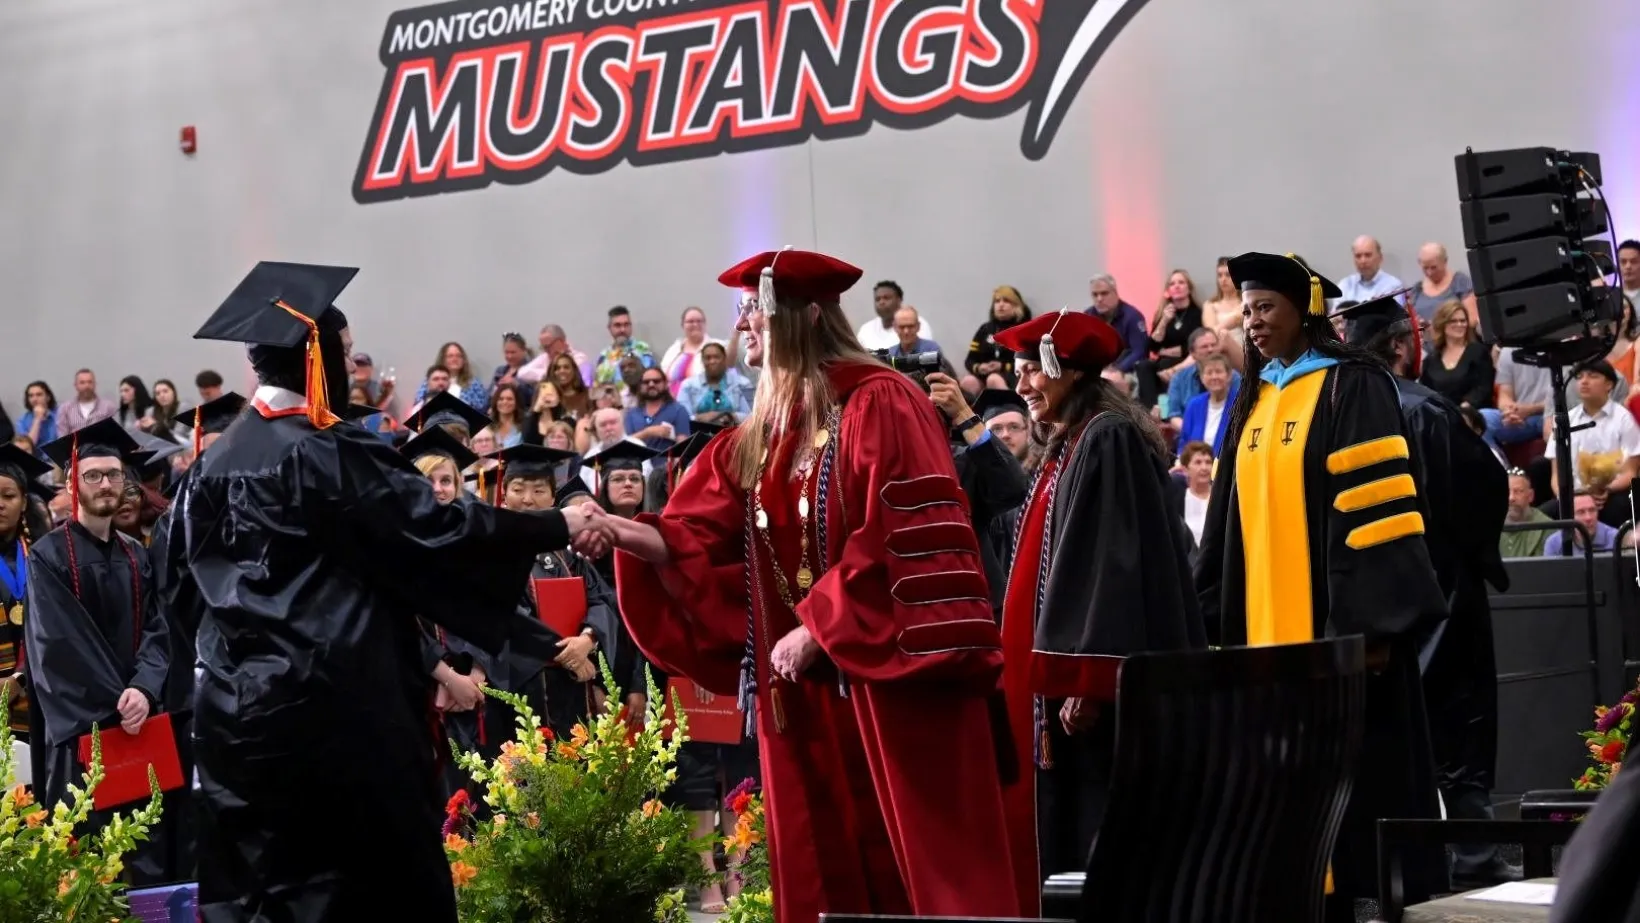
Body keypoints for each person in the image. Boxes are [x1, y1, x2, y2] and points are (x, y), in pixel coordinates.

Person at [597, 248, 1022, 921]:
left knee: (925, 870)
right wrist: (625, 534)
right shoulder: (769, 428)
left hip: (892, 681)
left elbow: (898, 531)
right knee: (828, 865)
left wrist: (821, 625)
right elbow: (697, 527)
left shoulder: (881, 401)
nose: (742, 329)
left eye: (753, 312)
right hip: (814, 692)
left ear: (806, 316)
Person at [182, 261, 605, 921]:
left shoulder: (211, 463)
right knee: (366, 887)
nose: (352, 367)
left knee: (262, 888)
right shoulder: (328, 451)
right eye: (345, 353)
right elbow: (435, 527)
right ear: (316, 356)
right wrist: (553, 521)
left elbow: (185, 595)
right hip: (335, 712)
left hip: (232, 716)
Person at [1195, 253, 1450, 918]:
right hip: (1264, 643)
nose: (1252, 322)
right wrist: (1209, 619)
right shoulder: (1254, 397)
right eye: (1246, 310)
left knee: (1356, 802)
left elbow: (1378, 503)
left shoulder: (1350, 386)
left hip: (1339, 639)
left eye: (1266, 308)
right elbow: (1226, 525)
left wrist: (1364, 628)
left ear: (1304, 310)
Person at [994, 308, 1206, 891]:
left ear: (1068, 371)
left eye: (1031, 371)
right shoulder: (1065, 446)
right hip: (1058, 686)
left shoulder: (1105, 439)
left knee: (1101, 832)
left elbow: (1113, 566)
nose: (1022, 386)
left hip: (1092, 693)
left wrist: (1088, 681)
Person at [1334, 292, 1517, 887]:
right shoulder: (1424, 409)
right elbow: (1484, 489)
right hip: (1441, 596)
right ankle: (1473, 858)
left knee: (1384, 744)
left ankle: (1399, 872)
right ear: (1398, 344)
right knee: (1457, 730)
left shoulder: (1331, 412)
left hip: (1362, 612)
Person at [26, 419, 172, 881]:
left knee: (145, 857)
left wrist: (145, 689)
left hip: (138, 730)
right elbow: (60, 645)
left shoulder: (136, 553)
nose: (106, 484)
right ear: (72, 482)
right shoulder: (48, 556)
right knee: (88, 867)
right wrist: (121, 699)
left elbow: (158, 630)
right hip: (82, 735)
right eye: (93, 475)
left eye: (114, 474)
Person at [0, 444, 51, 748]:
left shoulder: (44, 556)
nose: (0, 504)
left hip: (37, 689)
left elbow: (55, 628)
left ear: (23, 503)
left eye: (9, 496)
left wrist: (19, 679)